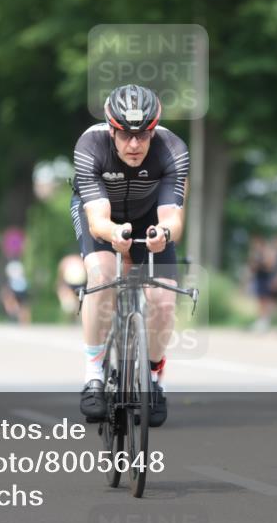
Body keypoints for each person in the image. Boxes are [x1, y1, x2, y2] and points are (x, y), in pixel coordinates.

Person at [71, 84, 189, 427]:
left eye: (143, 135)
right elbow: (97, 220)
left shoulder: (173, 149)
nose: (134, 144)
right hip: (102, 218)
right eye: (125, 135)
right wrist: (115, 236)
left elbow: (172, 218)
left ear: (154, 130)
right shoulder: (89, 145)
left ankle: (152, 378)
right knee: (102, 276)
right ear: (111, 129)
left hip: (150, 217)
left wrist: (162, 234)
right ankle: (94, 375)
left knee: (164, 301)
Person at [56, 253, 87, 319]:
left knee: (76, 303)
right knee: (70, 305)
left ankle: (75, 316)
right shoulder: (67, 261)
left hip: (79, 283)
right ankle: (72, 316)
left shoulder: (66, 261)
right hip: (72, 284)